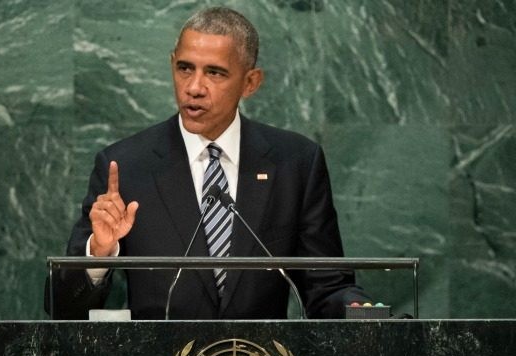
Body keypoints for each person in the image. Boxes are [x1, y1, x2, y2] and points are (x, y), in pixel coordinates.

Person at [46, 6, 370, 320]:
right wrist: (98, 256)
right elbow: (61, 308)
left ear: (250, 83)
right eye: (185, 68)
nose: (194, 88)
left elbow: (327, 287)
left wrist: (359, 311)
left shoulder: (295, 163)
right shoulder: (126, 167)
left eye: (214, 73)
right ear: (172, 64)